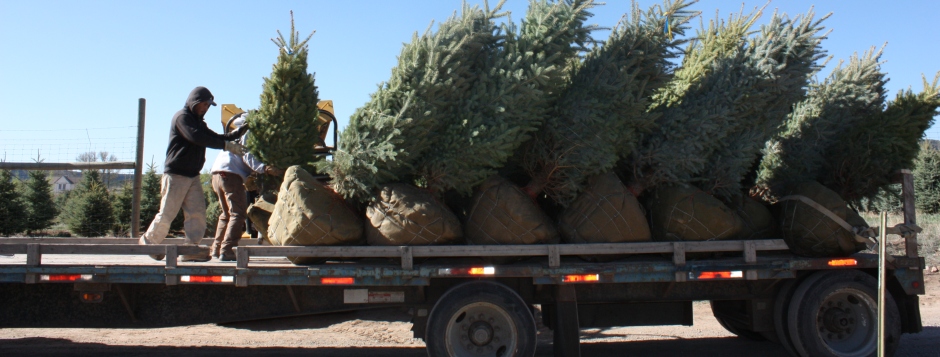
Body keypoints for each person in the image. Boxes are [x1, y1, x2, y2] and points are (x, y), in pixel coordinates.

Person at [139, 86, 248, 262]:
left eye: (207, 106)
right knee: (168, 212)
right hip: (176, 175)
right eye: (203, 104)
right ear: (194, 102)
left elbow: (212, 136)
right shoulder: (182, 118)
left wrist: (234, 135)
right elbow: (196, 137)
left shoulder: (198, 122)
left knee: (197, 214)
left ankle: (190, 249)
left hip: (193, 175)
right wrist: (225, 146)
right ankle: (149, 243)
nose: (205, 108)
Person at [209, 113, 282, 261]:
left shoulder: (235, 134)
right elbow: (247, 155)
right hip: (230, 175)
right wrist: (265, 168)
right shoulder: (249, 133)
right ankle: (227, 250)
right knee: (238, 214)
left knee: (226, 214)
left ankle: (216, 250)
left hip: (217, 174)